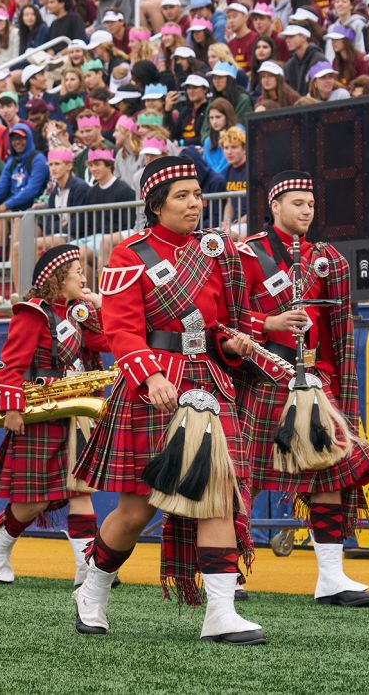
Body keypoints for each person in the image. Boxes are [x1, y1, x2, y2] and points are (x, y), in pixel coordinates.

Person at [71, 155, 266, 644]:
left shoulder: (216, 252)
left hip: (207, 382)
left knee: (218, 495)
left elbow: (217, 327)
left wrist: (232, 343)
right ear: (156, 205)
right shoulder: (128, 255)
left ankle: (218, 613)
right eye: (182, 196)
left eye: (197, 195)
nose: (195, 204)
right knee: (137, 510)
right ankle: (92, 587)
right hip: (153, 388)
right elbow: (120, 329)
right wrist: (151, 375)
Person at [236, 171, 369, 603]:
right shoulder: (246, 254)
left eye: (311, 204)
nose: (306, 211)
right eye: (298, 203)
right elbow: (225, 318)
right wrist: (267, 322)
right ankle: (229, 570)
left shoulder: (328, 259)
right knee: (242, 474)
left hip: (312, 381)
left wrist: (341, 390)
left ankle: (330, 576)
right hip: (263, 377)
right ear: (275, 205)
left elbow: (338, 330)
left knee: (330, 474)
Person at [0, 244, 111, 587]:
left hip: (78, 410)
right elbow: (11, 365)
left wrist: (102, 305)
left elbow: (110, 342)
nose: (83, 277)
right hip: (41, 412)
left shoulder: (79, 312)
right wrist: (11, 407)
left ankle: (87, 569)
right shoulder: (32, 313)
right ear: (57, 277)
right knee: (35, 500)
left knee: (81, 489)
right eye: (77, 272)